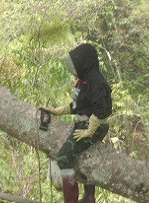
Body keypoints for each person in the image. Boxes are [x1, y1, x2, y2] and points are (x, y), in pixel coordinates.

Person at [41, 43, 112, 203]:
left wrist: (90, 130)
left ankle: (71, 200)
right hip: (82, 123)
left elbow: (100, 109)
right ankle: (89, 197)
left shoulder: (96, 81)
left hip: (95, 125)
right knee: (83, 156)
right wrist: (57, 110)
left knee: (64, 157)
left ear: (85, 62)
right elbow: (77, 105)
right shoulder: (83, 81)